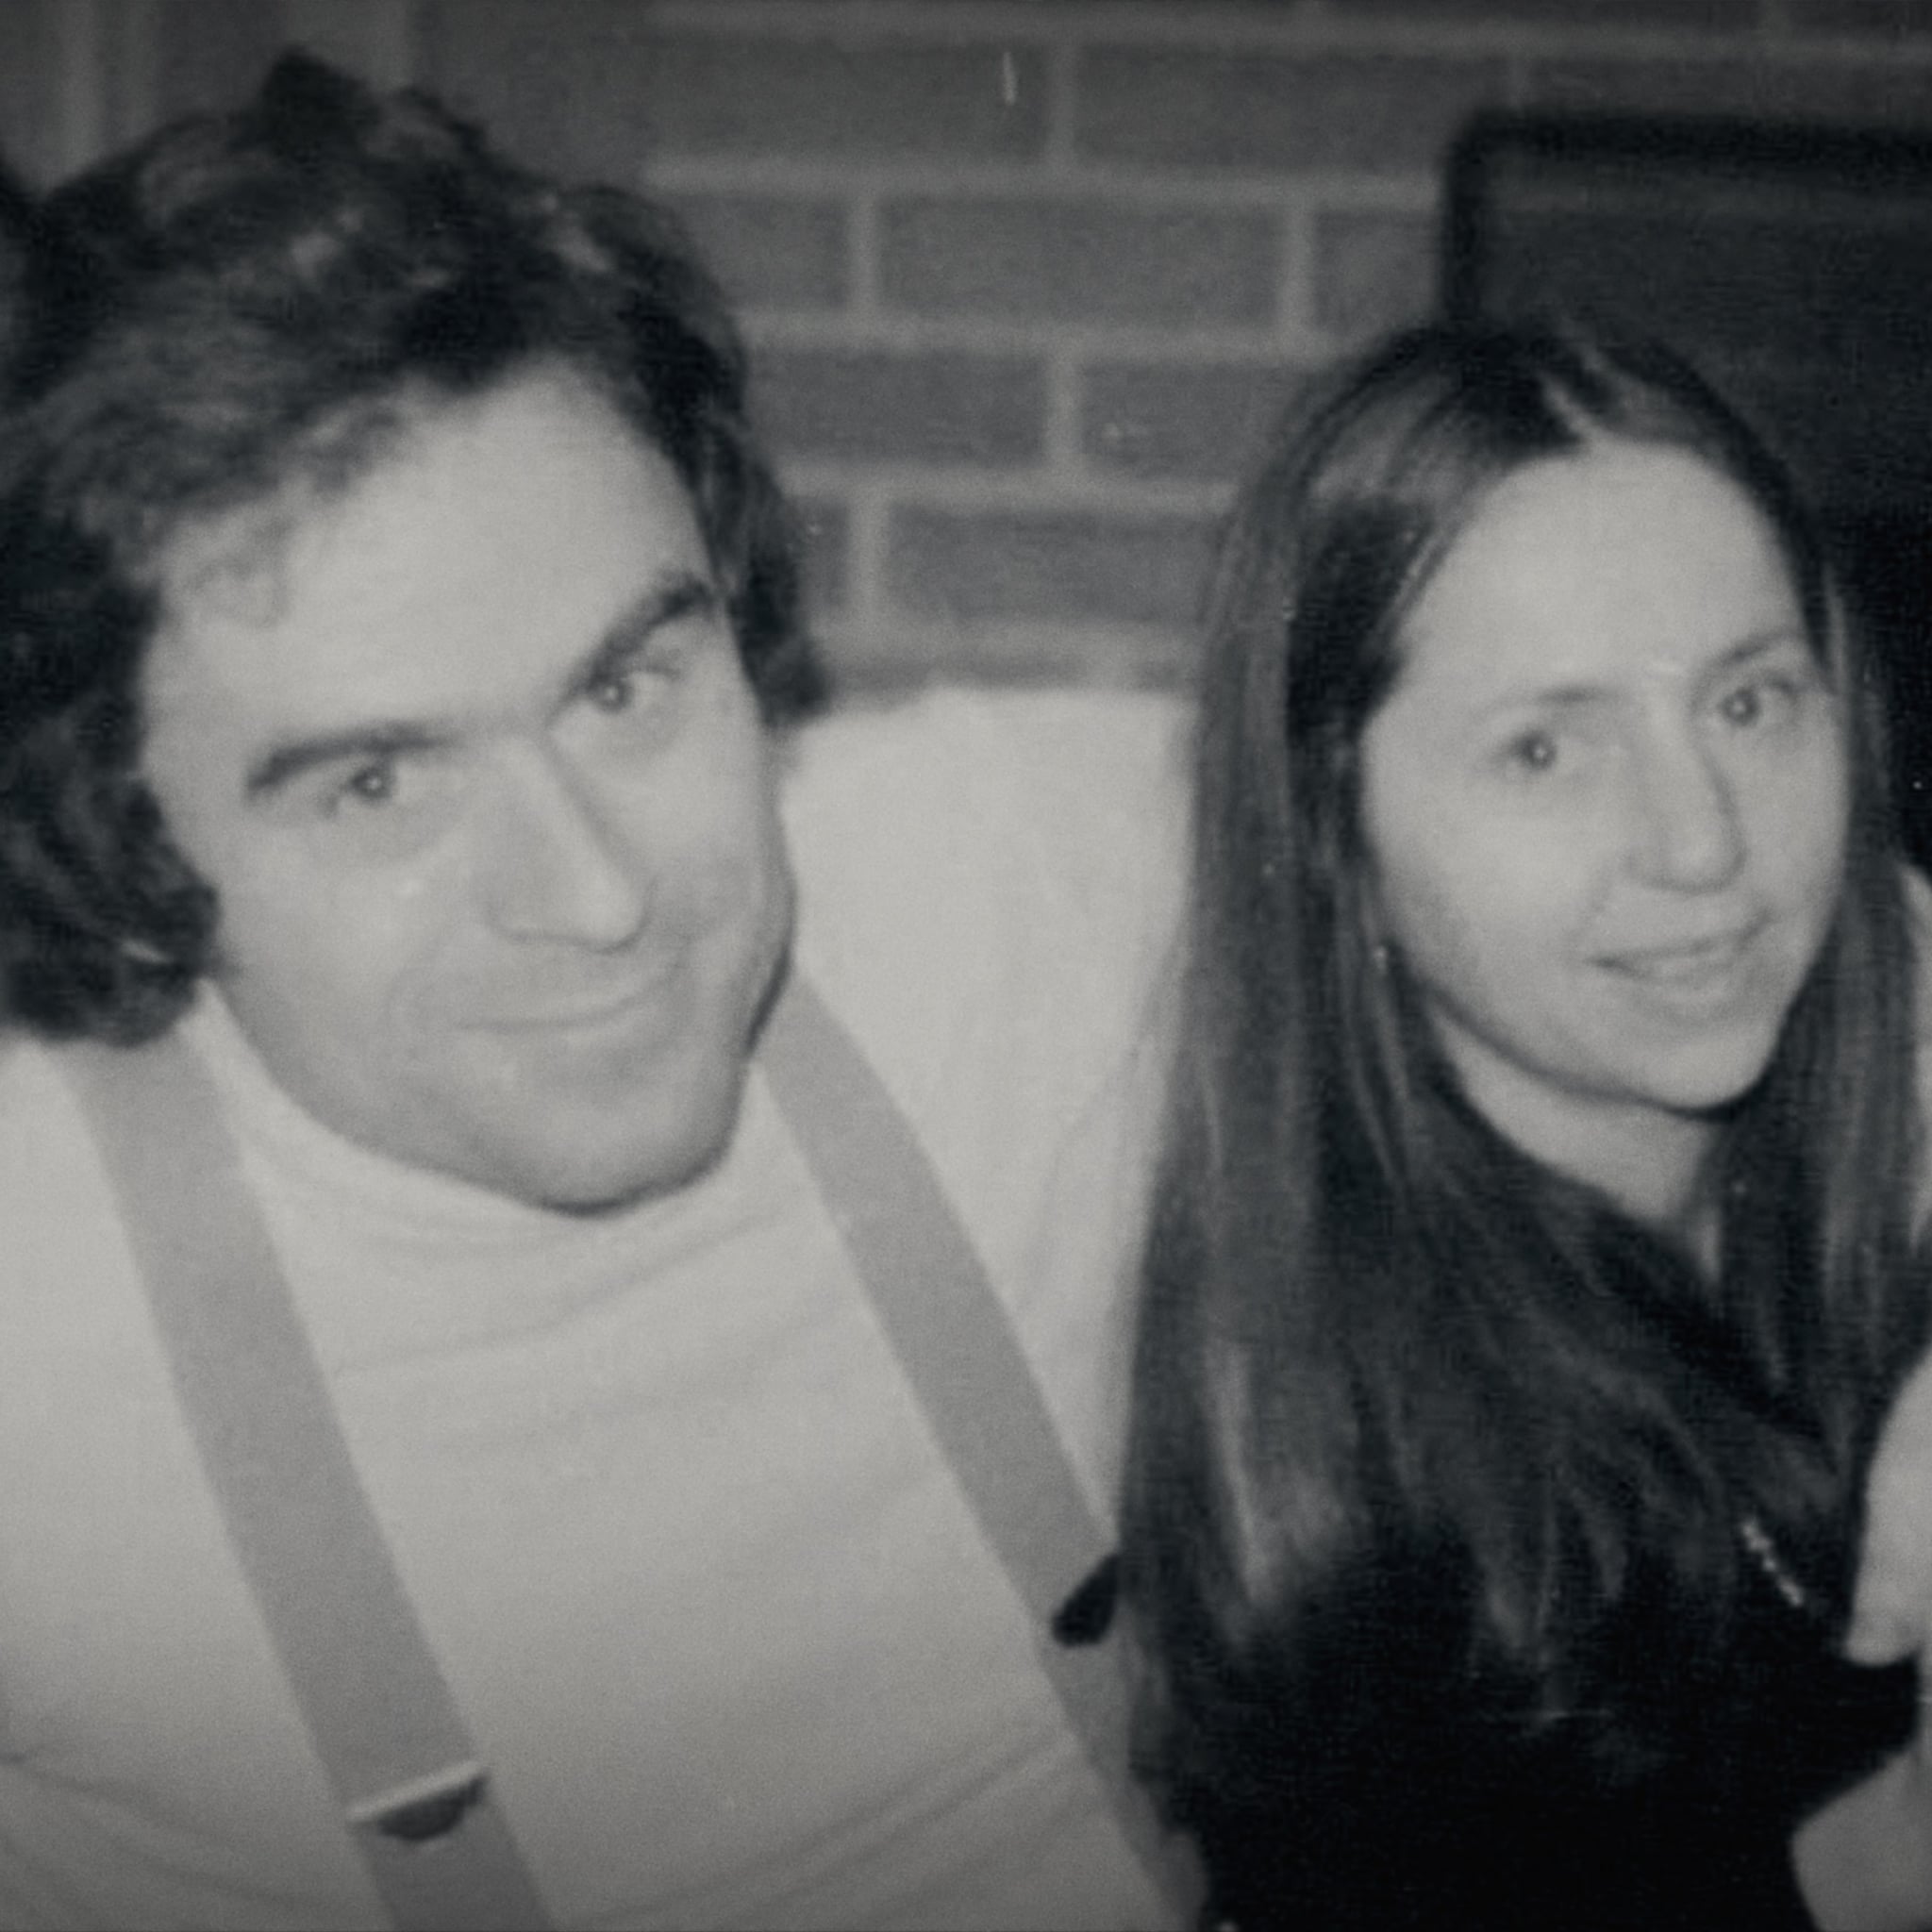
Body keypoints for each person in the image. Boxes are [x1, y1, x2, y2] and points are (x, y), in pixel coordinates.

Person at [0, 54, 1195, 1931]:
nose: (600, 893)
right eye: (377, 785)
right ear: (123, 834)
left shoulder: (1033, 881)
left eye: (628, 688)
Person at [1116, 319, 1932, 1929]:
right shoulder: (1382, 1531)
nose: (1701, 841)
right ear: (1334, 837)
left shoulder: (1858, 1103)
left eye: (1751, 701)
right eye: (1546, 748)